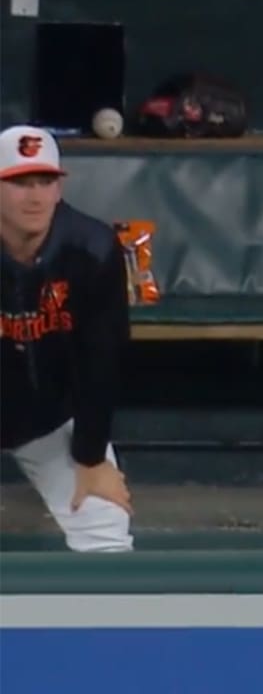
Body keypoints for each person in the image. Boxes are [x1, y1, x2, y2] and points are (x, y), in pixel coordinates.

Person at [1, 124, 135, 552]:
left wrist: (91, 457)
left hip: (48, 418)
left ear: (61, 187)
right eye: (20, 183)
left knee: (105, 523)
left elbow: (103, 358)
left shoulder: (91, 247)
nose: (35, 196)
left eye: (45, 181)